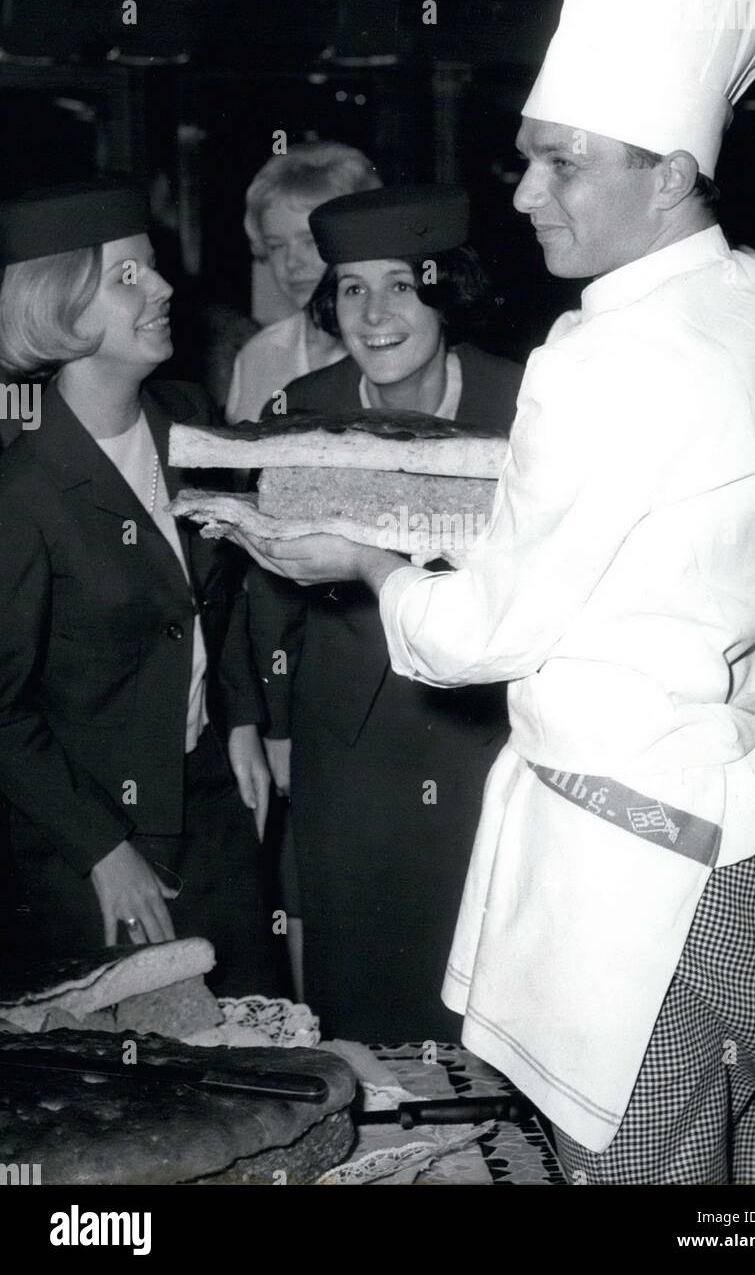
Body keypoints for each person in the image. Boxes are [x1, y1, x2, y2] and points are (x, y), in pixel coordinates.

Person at [227, 0, 755, 1181]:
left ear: (671, 170)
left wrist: (372, 567)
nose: (520, 193)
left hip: (647, 877)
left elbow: (483, 630)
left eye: (561, 160)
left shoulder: (598, 355)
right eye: (527, 153)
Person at [244, 185, 523, 1041]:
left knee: (491, 991)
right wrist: (270, 726)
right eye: (353, 289)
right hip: (350, 747)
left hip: (496, 735)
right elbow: (261, 597)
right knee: (364, 1004)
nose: (374, 314)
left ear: (448, 291)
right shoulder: (299, 413)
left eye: (402, 285)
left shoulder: (526, 408)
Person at [0, 182, 278, 997]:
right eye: (128, 277)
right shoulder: (21, 486)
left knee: (263, 1046)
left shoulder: (188, 424)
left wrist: (241, 723)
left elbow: (212, 596)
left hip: (212, 807)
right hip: (89, 839)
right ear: (60, 307)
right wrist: (101, 849)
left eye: (152, 270)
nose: (161, 289)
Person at [225, 142, 380, 425]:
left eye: (311, 242)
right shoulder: (258, 356)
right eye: (276, 246)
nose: (292, 263)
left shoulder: (393, 346)